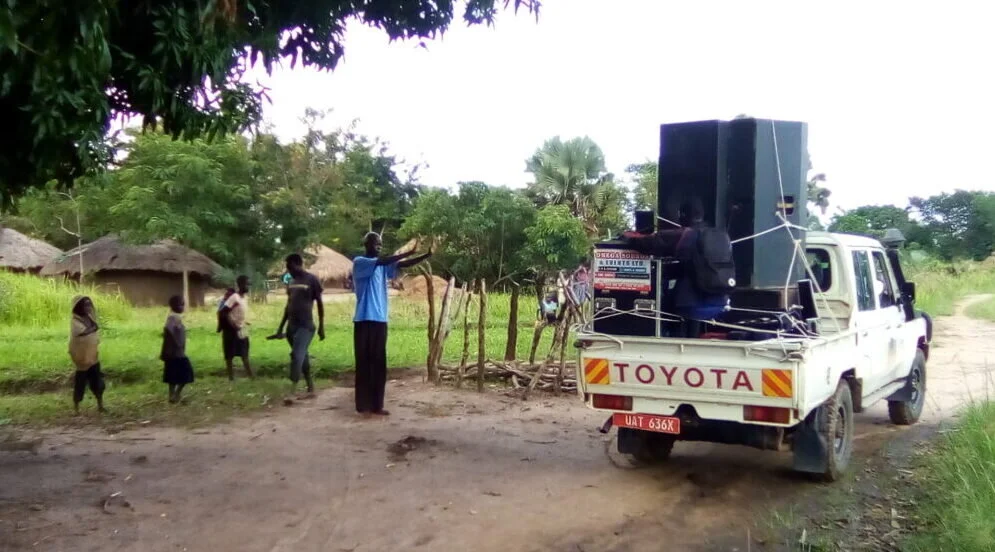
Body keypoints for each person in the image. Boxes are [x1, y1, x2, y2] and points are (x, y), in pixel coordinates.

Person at [624, 199, 731, 338]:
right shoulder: (722, 236)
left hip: (690, 304)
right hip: (719, 302)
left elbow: (650, 244)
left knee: (666, 304)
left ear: (683, 215)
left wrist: (629, 238)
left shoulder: (687, 235)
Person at [352, 232, 431, 417]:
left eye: (380, 244)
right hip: (363, 320)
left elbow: (401, 264)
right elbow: (385, 260)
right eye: (375, 243)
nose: (379, 247)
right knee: (363, 363)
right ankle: (362, 405)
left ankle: (377, 405)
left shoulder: (383, 267)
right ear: (366, 244)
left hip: (380, 320)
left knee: (379, 364)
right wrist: (408, 251)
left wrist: (425, 256)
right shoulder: (360, 262)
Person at [270, 254, 324, 399]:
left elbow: (319, 303)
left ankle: (291, 391)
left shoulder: (312, 279)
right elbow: (288, 306)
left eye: (290, 266)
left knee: (296, 355)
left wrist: (321, 326)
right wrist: (281, 328)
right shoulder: (291, 281)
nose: (288, 270)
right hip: (291, 327)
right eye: (287, 267)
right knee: (302, 356)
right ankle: (311, 386)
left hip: (306, 326)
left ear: (298, 264)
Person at [69, 296, 106, 415]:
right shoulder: (75, 321)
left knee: (97, 382)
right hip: (82, 358)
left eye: (89, 305)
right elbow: (82, 332)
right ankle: (76, 409)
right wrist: (92, 329)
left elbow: (94, 329)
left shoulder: (89, 318)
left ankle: (100, 405)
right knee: (80, 384)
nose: (88, 307)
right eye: (85, 305)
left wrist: (92, 329)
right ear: (79, 307)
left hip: (92, 356)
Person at [219, 275, 254, 381]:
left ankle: (250, 376)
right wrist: (233, 324)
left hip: (241, 328)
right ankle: (231, 377)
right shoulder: (234, 297)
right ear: (240, 284)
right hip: (231, 330)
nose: (248, 286)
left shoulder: (244, 298)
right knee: (230, 354)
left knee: (244, 352)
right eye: (247, 284)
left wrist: (244, 322)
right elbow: (223, 312)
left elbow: (238, 312)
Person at [161, 295, 195, 404]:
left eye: (183, 304)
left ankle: (173, 395)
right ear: (173, 306)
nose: (182, 306)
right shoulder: (173, 317)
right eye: (180, 304)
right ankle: (175, 394)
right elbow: (168, 330)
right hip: (175, 352)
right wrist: (176, 344)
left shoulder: (175, 317)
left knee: (173, 375)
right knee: (186, 373)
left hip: (176, 352)